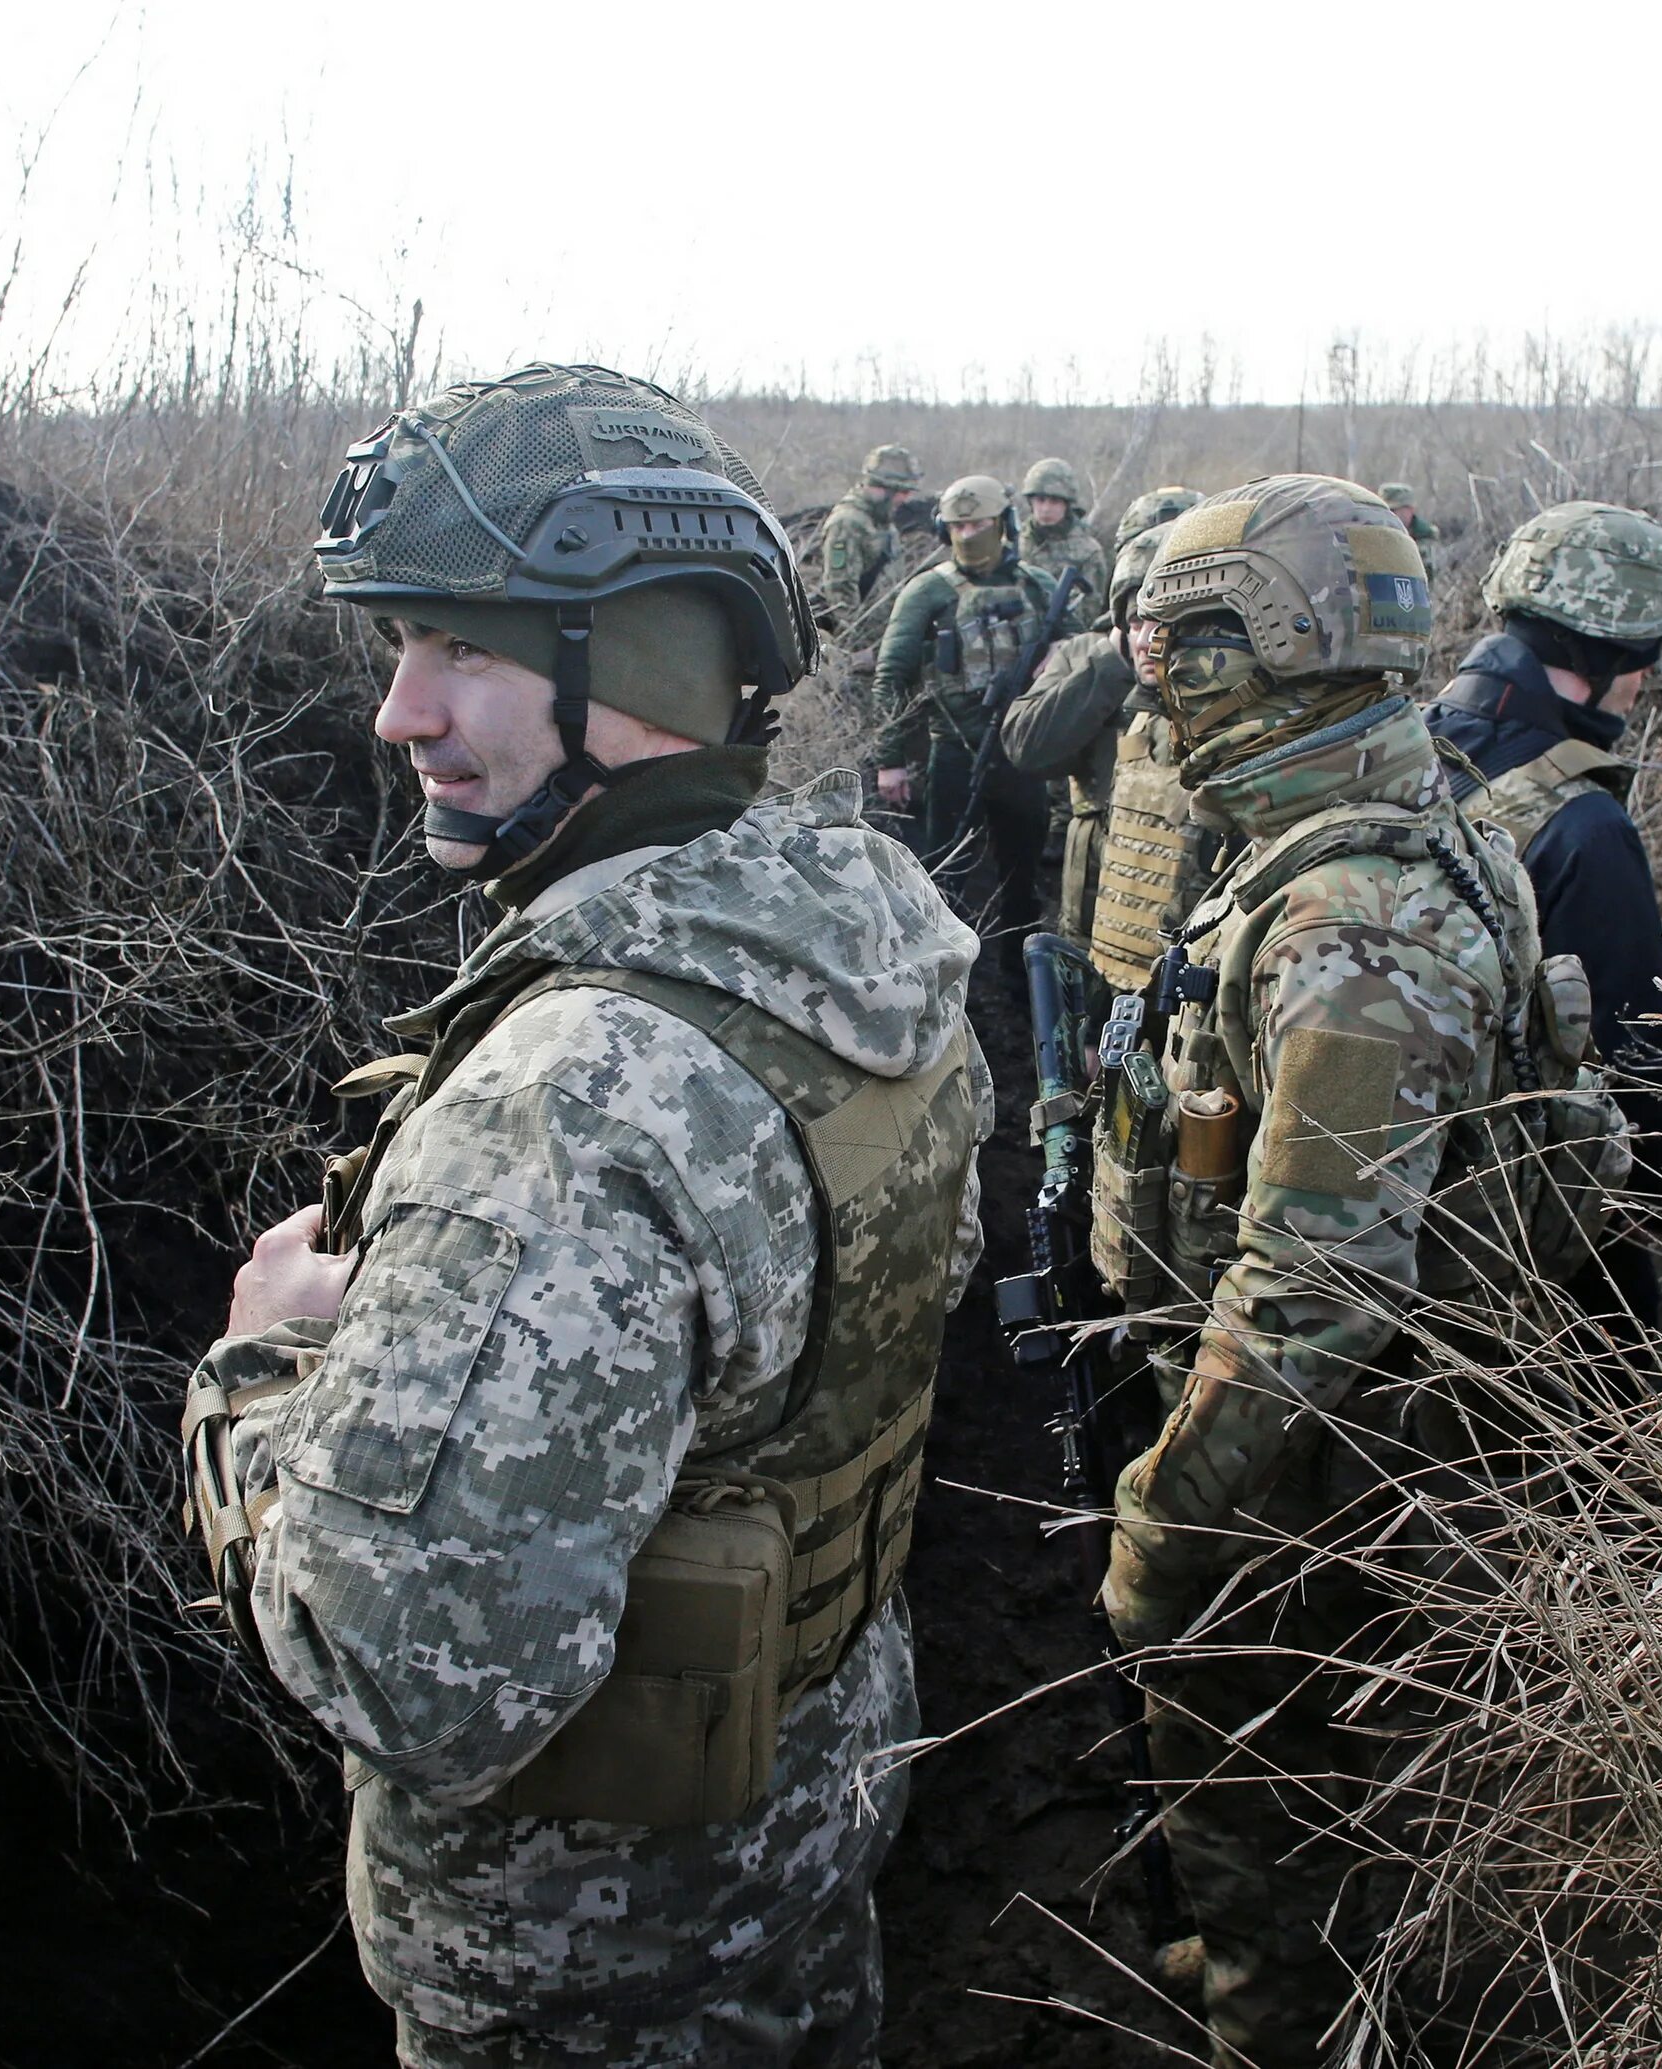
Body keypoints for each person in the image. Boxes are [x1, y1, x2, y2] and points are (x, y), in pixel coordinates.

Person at [179, 365, 992, 2069]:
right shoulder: (865, 940)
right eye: (401, 645)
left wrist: (262, 1367)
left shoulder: (577, 1095)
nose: (402, 709)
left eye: (462, 648)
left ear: (634, 675)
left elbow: (414, 1670)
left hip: (588, 1962)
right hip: (806, 1828)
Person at [1095, 475, 1626, 2066]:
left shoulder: (1354, 916)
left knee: (1262, 1772)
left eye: (1177, 651)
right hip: (1351, 1447)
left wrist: (1164, 1518)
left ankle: (1280, 2018)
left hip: (1318, 1470)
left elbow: (1318, 1293)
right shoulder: (1394, 826)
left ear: (1244, 657)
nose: (1156, 685)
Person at [1426, 499, 1662, 1345]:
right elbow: (1635, 1072)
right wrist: (1647, 1217)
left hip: (1383, 1207)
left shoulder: (1412, 748)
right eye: (1644, 656)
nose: (1644, 679)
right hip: (1528, 1239)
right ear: (1612, 652)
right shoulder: (1583, 826)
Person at [873, 473, 1091, 928]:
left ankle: (1019, 977)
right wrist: (889, 760)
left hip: (1024, 753)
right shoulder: (928, 591)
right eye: (957, 527)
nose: (968, 535)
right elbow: (891, 675)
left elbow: (1084, 656)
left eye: (979, 525)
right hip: (955, 752)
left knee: (1023, 877)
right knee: (943, 875)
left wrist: (1061, 655)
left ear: (1004, 523)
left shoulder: (1039, 586)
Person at [996, 486, 1203, 965]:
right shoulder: (1088, 655)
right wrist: (1111, 662)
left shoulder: (1227, 669)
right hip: (1095, 894)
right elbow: (1027, 747)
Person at [818, 443, 922, 647]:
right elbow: (840, 591)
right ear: (884, 488)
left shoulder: (880, 520)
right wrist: (854, 647)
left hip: (880, 640)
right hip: (860, 647)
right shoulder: (848, 523)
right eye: (903, 491)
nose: (906, 498)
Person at [1017, 455, 1112, 605]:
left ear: (1067, 505)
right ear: (1031, 502)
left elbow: (1089, 608)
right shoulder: (1014, 543)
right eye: (1040, 500)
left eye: (1054, 501)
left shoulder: (1087, 552)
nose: (1046, 509)